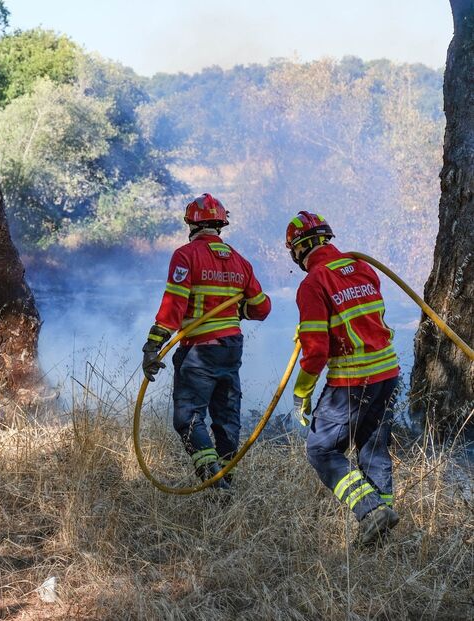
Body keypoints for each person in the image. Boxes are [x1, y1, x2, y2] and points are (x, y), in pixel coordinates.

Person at [286, 211, 400, 547]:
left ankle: (370, 511)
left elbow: (317, 351)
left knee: (321, 450)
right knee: (373, 451)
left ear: (298, 249)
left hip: (353, 379)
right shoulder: (362, 268)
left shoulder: (313, 283)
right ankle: (382, 534)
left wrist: (302, 392)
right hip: (387, 372)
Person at [142, 194, 271, 489]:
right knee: (226, 418)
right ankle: (226, 477)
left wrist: (152, 346)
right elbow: (261, 308)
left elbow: (174, 305)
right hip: (231, 349)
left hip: (199, 350)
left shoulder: (186, 255)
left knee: (187, 419)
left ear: (191, 223)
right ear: (220, 225)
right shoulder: (240, 261)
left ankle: (214, 483)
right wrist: (236, 306)